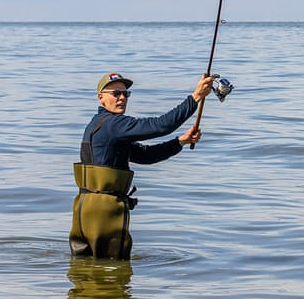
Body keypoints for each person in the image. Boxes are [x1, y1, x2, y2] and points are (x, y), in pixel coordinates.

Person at [69, 71, 214, 259]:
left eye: (126, 94)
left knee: (84, 270)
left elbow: (145, 155)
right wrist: (195, 97)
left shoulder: (98, 125)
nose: (122, 98)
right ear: (101, 98)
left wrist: (179, 142)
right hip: (106, 211)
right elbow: (160, 125)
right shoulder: (115, 124)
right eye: (116, 93)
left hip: (83, 209)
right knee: (114, 270)